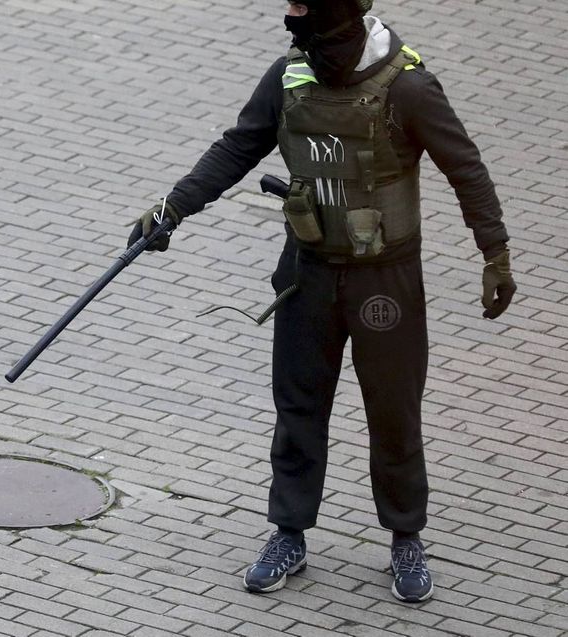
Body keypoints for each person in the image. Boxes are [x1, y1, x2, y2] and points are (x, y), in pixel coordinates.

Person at [128, 0, 515, 603]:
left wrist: (495, 254)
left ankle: (406, 537)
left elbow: (466, 168)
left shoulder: (408, 86)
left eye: (302, 7)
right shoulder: (290, 78)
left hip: (385, 279)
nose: (291, 18)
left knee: (393, 412)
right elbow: (238, 148)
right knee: (298, 405)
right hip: (306, 273)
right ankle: (289, 533)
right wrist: (172, 207)